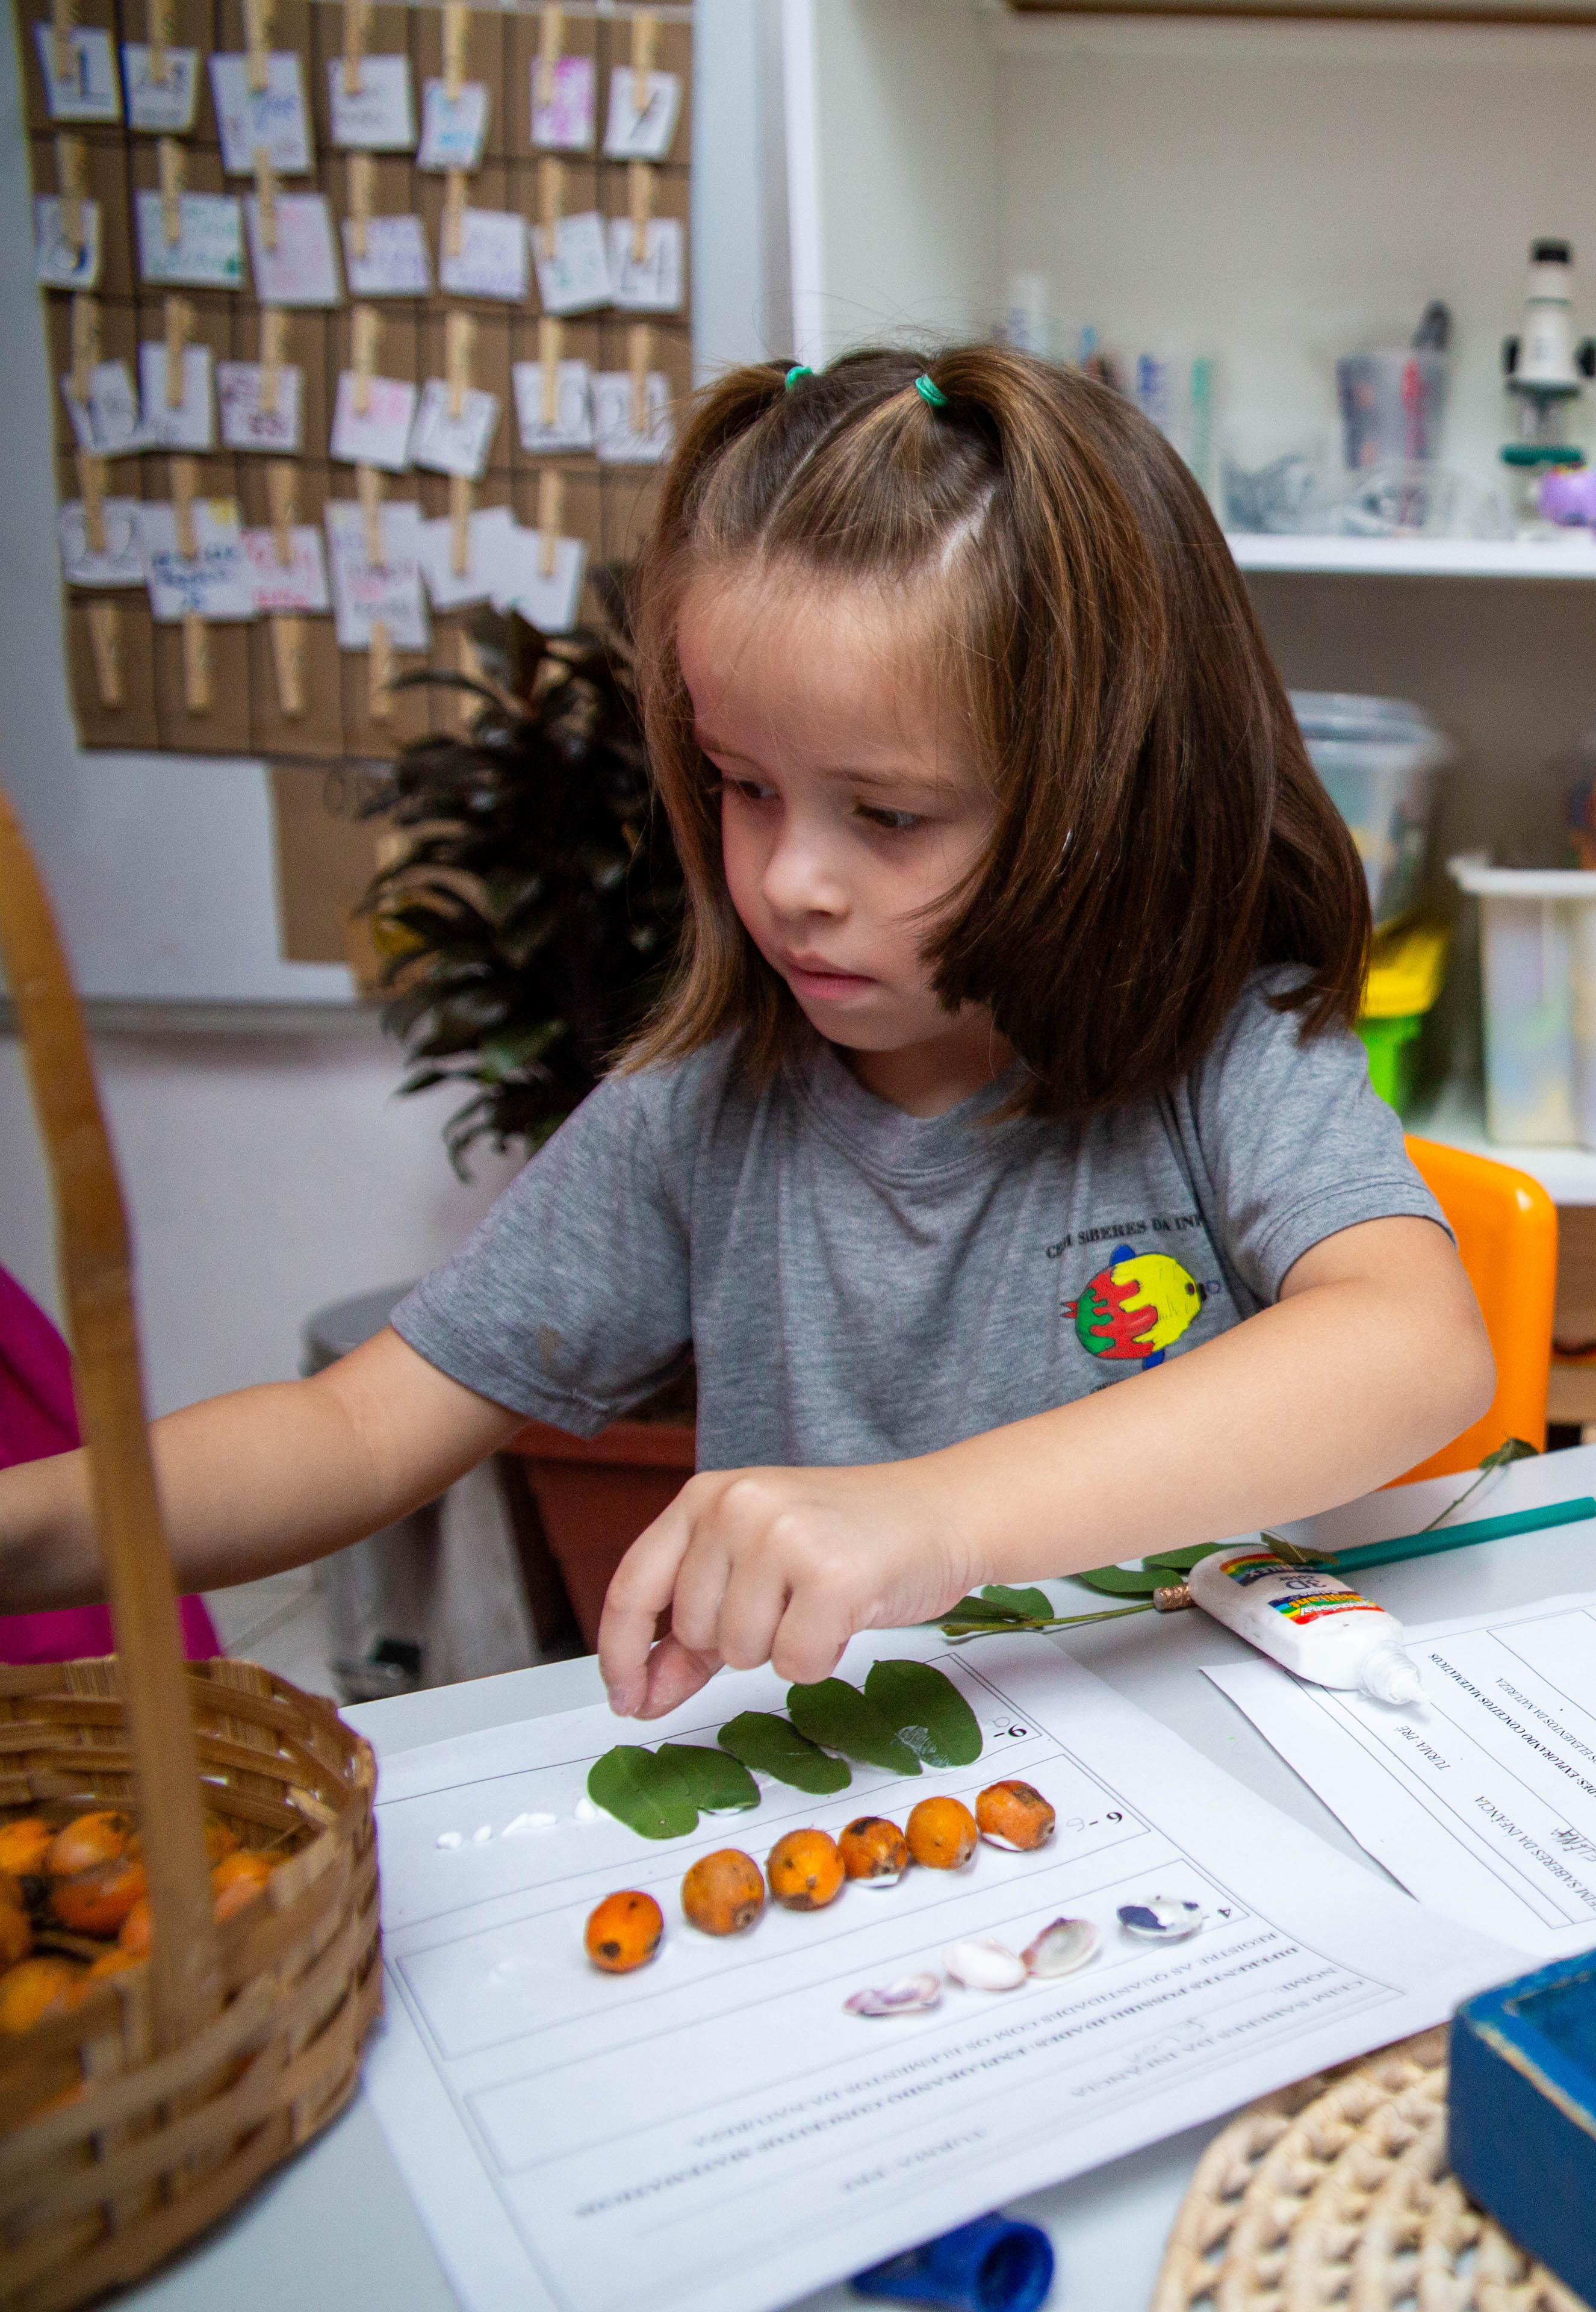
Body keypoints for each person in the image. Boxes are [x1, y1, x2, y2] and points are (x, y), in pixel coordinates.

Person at [0, 347, 1493, 1721]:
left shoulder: (1228, 1058)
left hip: (1197, 1766)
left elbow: (1412, 1347)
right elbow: (355, 1435)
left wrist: (936, 1517)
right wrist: (33, 1526)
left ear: (1108, 797)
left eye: (887, 815)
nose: (788, 883)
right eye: (742, 786)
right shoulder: (698, 1117)